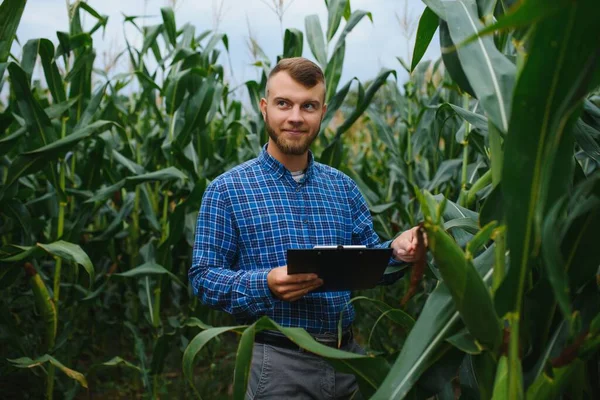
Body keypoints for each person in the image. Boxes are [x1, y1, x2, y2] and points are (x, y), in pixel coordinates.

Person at [189, 57, 426, 399]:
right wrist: (266, 283)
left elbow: (372, 265)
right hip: (279, 365)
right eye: (284, 104)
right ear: (265, 108)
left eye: (309, 106)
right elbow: (203, 278)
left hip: (349, 362)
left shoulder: (342, 187)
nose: (296, 117)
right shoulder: (227, 190)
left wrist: (399, 252)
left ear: (323, 111)